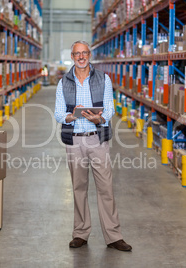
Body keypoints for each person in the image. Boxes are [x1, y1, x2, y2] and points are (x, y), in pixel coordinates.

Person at [54, 40, 132, 252]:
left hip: (97, 139)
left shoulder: (103, 78)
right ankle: (80, 233)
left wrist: (100, 119)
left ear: (89, 54)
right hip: (75, 140)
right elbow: (59, 113)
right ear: (72, 56)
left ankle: (113, 236)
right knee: (79, 188)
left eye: (84, 53)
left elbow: (110, 108)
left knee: (105, 188)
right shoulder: (64, 82)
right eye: (77, 53)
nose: (81, 57)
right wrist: (71, 116)